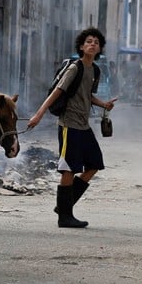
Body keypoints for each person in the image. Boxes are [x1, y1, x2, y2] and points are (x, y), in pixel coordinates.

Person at [28, 28, 117, 228]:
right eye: (89, 42)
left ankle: (64, 206)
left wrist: (104, 104)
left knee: (94, 163)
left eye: (96, 42)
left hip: (83, 124)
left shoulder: (95, 70)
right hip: (69, 123)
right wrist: (38, 115)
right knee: (69, 168)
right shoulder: (74, 68)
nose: (93, 44)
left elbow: (88, 95)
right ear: (81, 46)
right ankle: (65, 217)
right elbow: (57, 92)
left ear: (100, 48)